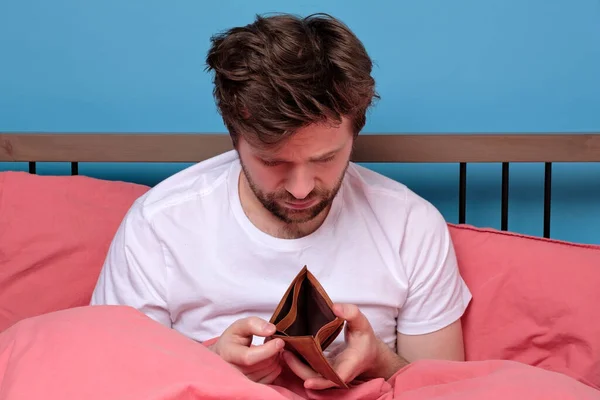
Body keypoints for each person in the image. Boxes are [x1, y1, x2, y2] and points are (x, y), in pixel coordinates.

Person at [90, 12, 472, 390]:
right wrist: (210, 364)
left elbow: (447, 388)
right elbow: (109, 377)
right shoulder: (159, 223)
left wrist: (379, 361)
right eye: (273, 162)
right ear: (234, 134)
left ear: (356, 131)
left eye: (325, 159)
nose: (302, 189)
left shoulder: (410, 224)